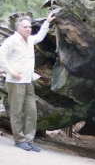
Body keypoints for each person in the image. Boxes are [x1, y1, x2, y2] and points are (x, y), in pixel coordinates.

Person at [0, 11, 56, 152]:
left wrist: (48, 22)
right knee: (16, 112)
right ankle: (19, 140)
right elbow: (1, 56)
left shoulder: (30, 40)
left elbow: (40, 36)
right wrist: (11, 71)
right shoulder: (12, 41)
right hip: (15, 83)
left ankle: (29, 139)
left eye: (29, 27)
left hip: (28, 82)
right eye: (25, 27)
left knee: (32, 112)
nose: (28, 29)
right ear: (18, 28)